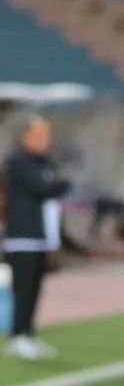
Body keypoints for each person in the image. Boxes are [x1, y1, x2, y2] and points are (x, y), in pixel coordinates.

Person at [2, 114, 70, 360]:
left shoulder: (45, 162)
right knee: (22, 289)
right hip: (23, 237)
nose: (45, 140)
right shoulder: (18, 161)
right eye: (39, 135)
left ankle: (29, 333)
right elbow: (44, 188)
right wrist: (58, 185)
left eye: (46, 135)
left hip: (42, 238)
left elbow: (56, 185)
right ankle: (18, 335)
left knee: (35, 289)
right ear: (25, 136)